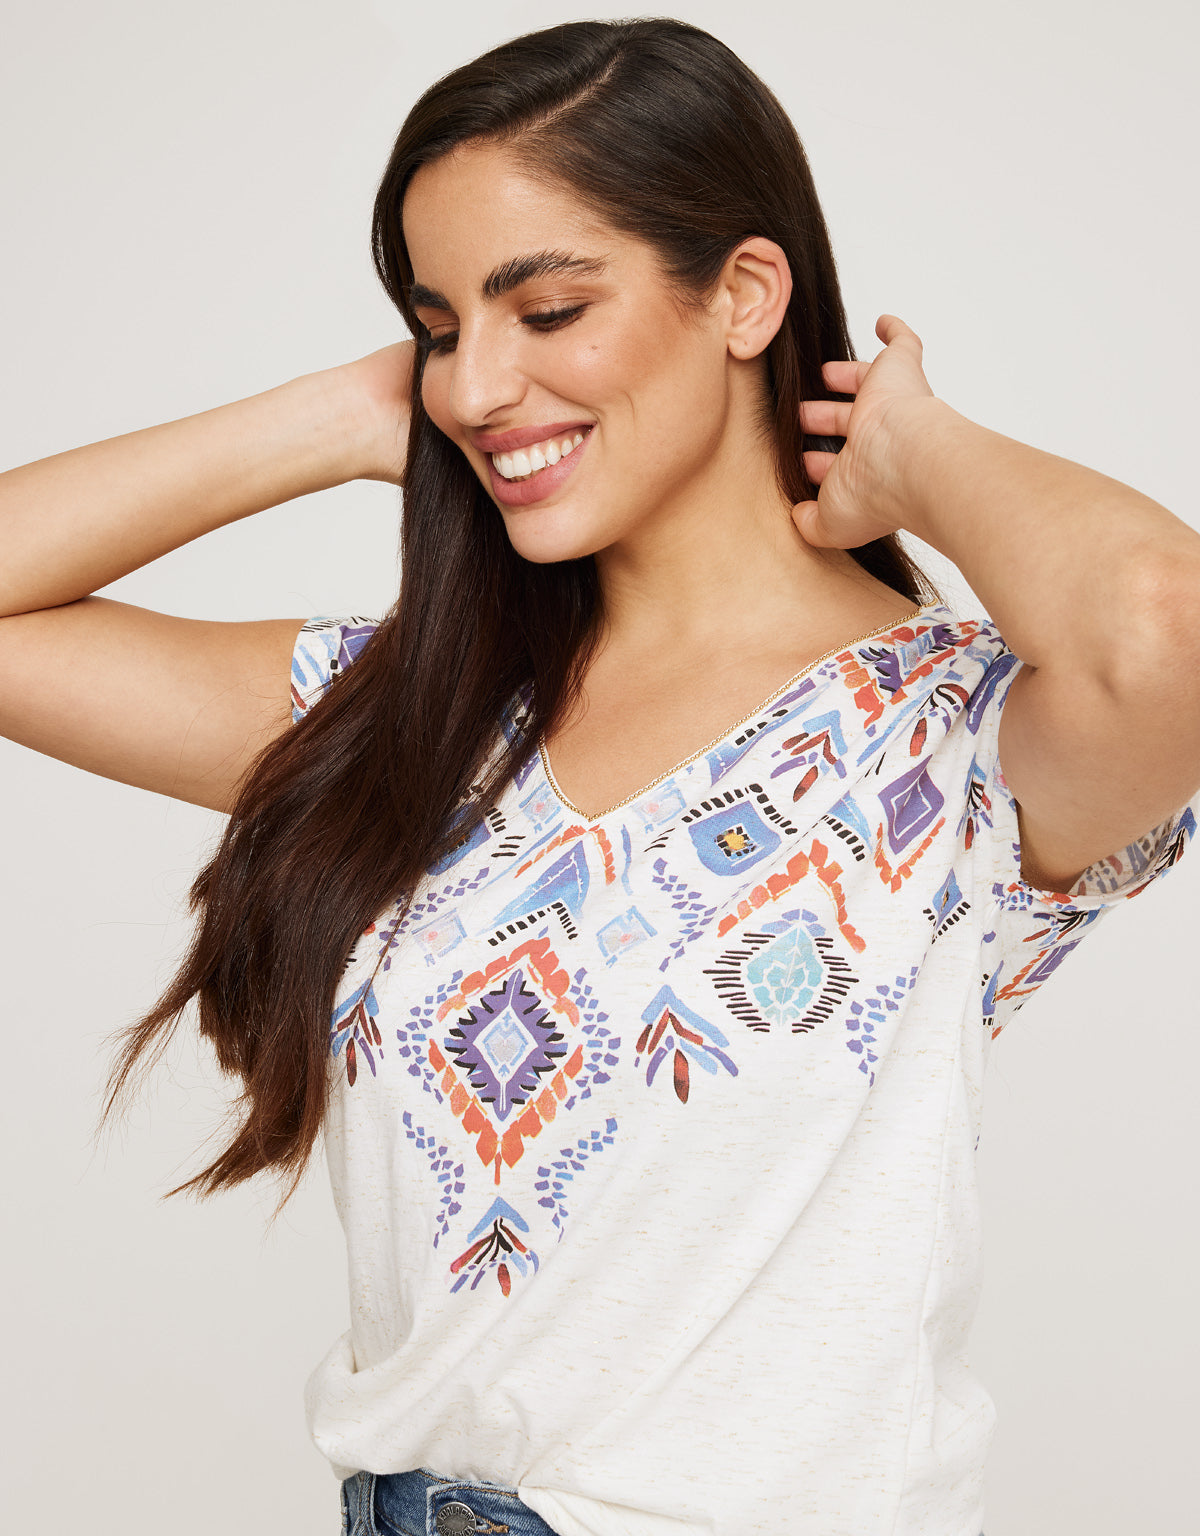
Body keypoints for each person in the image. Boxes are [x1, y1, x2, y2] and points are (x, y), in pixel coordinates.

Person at [2, 15, 1198, 1536]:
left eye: (548, 308)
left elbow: (1166, 630)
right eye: (441, 327)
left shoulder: (951, 737)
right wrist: (343, 416)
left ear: (744, 296)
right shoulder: (417, 714)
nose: (478, 385)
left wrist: (912, 447)